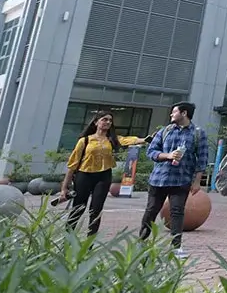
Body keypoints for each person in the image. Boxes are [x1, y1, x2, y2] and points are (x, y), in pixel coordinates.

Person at [139, 102, 210, 259]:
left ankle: (176, 247)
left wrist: (197, 181)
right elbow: (151, 152)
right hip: (159, 179)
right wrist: (168, 155)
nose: (171, 115)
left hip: (181, 179)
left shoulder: (198, 133)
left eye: (174, 112)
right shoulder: (165, 131)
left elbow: (202, 159)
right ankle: (141, 242)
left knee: (177, 212)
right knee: (151, 210)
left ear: (184, 113)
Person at [59, 111, 147, 236]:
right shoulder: (85, 141)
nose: (108, 122)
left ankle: (90, 242)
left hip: (103, 176)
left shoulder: (112, 139)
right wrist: (64, 188)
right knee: (78, 208)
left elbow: (129, 140)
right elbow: (72, 165)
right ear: (96, 122)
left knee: (96, 210)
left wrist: (146, 139)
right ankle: (67, 239)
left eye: (110, 120)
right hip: (84, 175)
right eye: (104, 119)